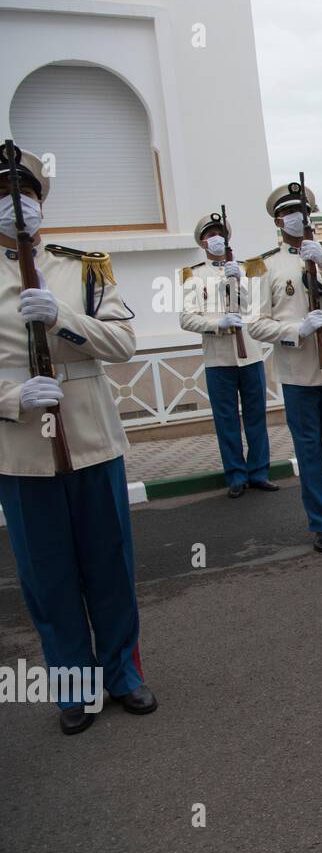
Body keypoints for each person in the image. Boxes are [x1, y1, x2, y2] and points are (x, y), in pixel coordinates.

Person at [0, 144, 156, 734]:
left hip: (89, 436)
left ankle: (123, 674)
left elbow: (123, 342)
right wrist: (13, 398)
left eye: (27, 194)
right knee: (48, 575)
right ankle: (74, 686)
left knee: (109, 562)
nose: (17, 207)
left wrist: (63, 319)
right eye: (3, 196)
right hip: (21, 447)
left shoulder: (84, 267)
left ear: (42, 201)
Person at [246, 180, 322, 553]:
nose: (298, 218)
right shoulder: (262, 266)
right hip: (297, 372)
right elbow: (255, 323)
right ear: (279, 220)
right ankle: (321, 523)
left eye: (303, 211)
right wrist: (295, 329)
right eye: (290, 213)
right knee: (309, 450)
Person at [181, 213, 277, 498]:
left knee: (256, 415)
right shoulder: (194, 276)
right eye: (210, 233)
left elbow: (257, 310)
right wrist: (216, 324)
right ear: (202, 241)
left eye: (220, 232)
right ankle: (236, 475)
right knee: (226, 419)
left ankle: (259, 471)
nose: (216, 238)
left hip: (250, 356)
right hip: (219, 358)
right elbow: (186, 319)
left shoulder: (248, 269)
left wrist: (240, 283)